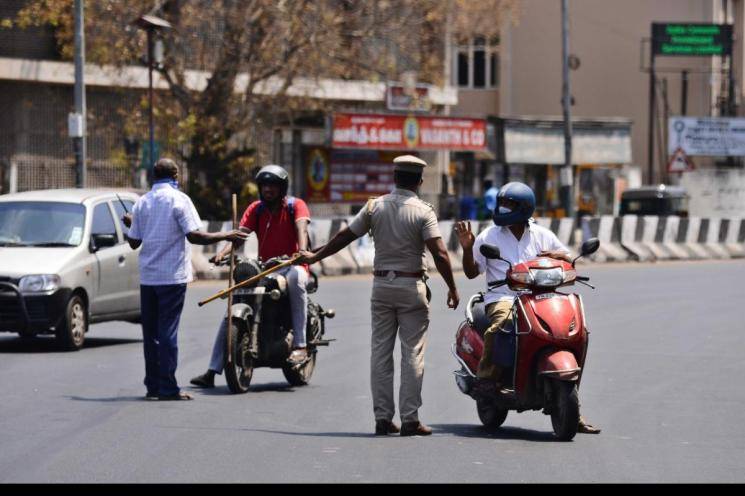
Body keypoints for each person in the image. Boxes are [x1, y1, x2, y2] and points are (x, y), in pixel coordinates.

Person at [295, 155, 459, 437]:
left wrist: (315, 255)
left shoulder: (374, 207)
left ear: (394, 178)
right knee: (412, 354)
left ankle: (383, 418)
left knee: (380, 353)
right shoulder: (423, 211)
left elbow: (344, 237)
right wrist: (452, 287)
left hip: (381, 287)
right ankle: (409, 419)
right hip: (411, 288)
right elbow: (440, 253)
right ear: (419, 181)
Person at [453, 181, 601, 434]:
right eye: (502, 203)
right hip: (503, 298)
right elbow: (470, 272)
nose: (502, 208)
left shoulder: (542, 234)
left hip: (540, 297)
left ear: (524, 207)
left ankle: (572, 407)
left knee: (575, 331)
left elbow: (566, 257)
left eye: (508, 204)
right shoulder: (488, 236)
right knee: (502, 325)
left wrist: (559, 258)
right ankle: (487, 379)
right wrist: (467, 249)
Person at [123, 158, 248, 401]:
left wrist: (131, 224)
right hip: (171, 277)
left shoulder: (142, 203)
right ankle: (168, 388)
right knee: (168, 333)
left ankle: (153, 386)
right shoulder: (180, 200)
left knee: (151, 335)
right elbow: (195, 236)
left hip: (149, 278)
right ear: (175, 175)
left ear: (153, 176)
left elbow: (134, 242)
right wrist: (227, 234)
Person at [190, 164, 311, 389]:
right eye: (264, 186)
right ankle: (212, 369)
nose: (268, 190)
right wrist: (222, 254)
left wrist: (301, 252)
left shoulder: (296, 206)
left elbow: (301, 228)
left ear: (282, 188)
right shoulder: (256, 209)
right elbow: (239, 236)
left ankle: (301, 345)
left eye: (273, 186)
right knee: (236, 299)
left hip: (292, 264)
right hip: (266, 267)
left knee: (296, 278)